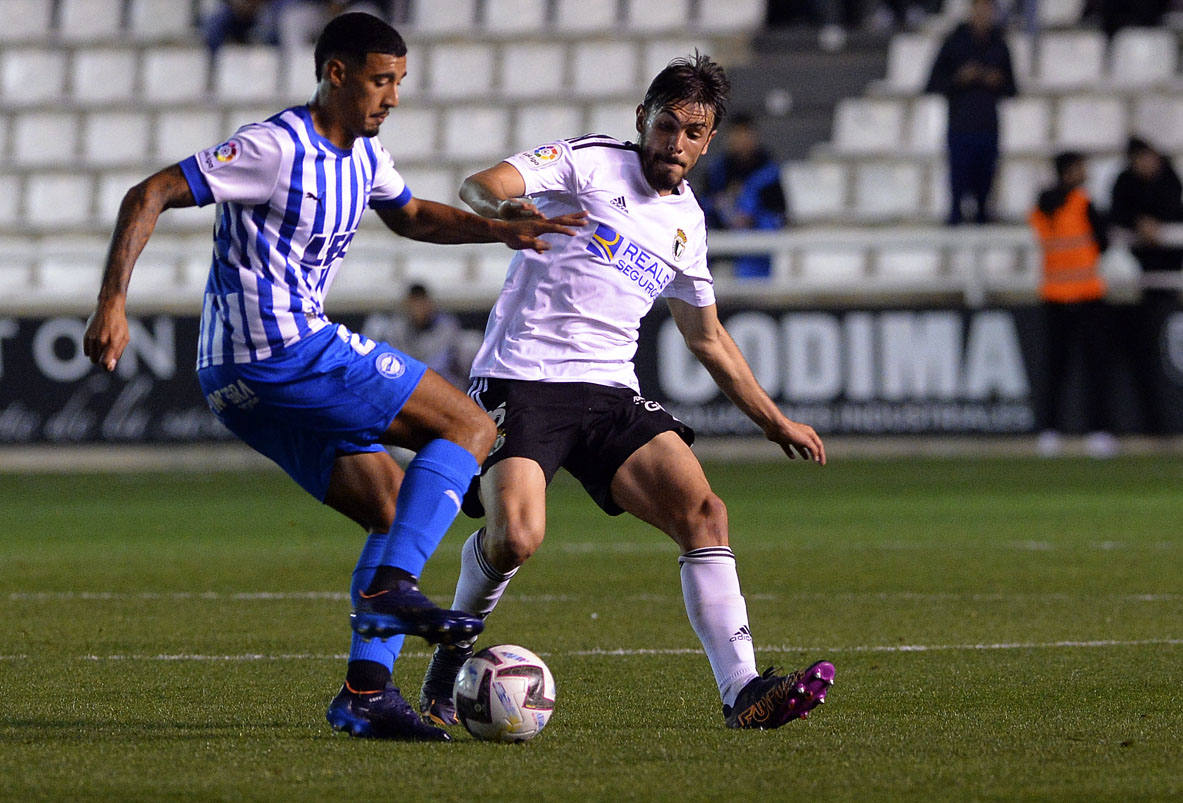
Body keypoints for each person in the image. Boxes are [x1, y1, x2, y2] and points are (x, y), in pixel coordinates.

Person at [82, 12, 582, 742]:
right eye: (381, 80)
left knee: (386, 504)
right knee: (470, 426)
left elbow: (411, 217)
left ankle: (366, 694)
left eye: (399, 82)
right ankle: (393, 586)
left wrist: (500, 228)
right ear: (336, 73)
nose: (392, 97)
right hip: (282, 348)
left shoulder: (366, 157)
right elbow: (146, 193)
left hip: (231, 380)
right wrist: (112, 303)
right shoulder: (273, 146)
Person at [416, 54, 835, 732]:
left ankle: (742, 691)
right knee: (515, 538)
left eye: (693, 133)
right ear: (642, 119)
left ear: (709, 139)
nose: (676, 145)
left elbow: (707, 338)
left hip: (610, 391)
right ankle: (449, 654)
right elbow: (478, 184)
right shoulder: (585, 162)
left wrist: (772, 419)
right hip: (522, 379)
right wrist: (508, 210)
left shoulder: (687, 224)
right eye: (666, 126)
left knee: (703, 512)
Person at [1028, 151, 1120, 457]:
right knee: (1095, 368)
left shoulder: (1041, 206)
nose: (1084, 173)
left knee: (1055, 369)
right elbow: (1104, 242)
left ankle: (1049, 432)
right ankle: (1099, 432)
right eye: (1080, 168)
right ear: (1068, 171)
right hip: (1086, 294)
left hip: (1053, 295)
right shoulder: (1083, 203)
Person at [1109, 137, 1183, 435]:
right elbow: (1114, 217)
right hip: (1135, 285)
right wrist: (1139, 223)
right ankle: (1153, 425)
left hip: (1169, 279)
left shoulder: (1169, 179)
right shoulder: (1125, 183)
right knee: (1144, 357)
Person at [925, 0, 1017, 225]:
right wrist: (960, 78)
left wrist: (996, 81)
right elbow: (932, 84)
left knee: (985, 193)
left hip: (988, 126)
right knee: (958, 191)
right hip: (960, 126)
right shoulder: (954, 42)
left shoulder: (999, 44)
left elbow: (1013, 88)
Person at [698, 112, 788, 279]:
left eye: (745, 134)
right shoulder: (717, 171)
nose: (740, 140)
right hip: (720, 246)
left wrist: (752, 218)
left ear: (754, 136)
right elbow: (703, 206)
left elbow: (779, 213)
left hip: (756, 250)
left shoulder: (769, 173)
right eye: (736, 134)